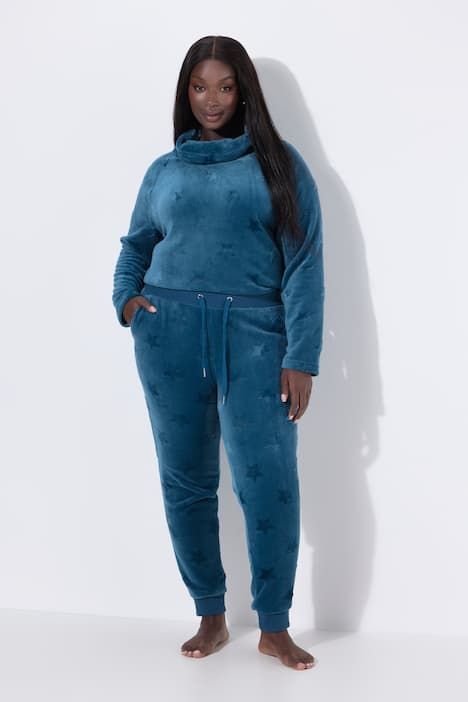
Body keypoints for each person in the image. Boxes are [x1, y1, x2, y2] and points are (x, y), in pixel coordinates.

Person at [112, 35, 324, 671]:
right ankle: (210, 613)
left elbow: (305, 262)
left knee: (269, 481)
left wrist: (302, 356)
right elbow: (136, 244)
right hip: (168, 337)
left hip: (256, 339)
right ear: (186, 92)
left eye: (225, 87)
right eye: (200, 87)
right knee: (186, 480)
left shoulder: (279, 164)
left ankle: (274, 625)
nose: (212, 100)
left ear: (244, 92)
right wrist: (127, 301)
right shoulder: (164, 170)